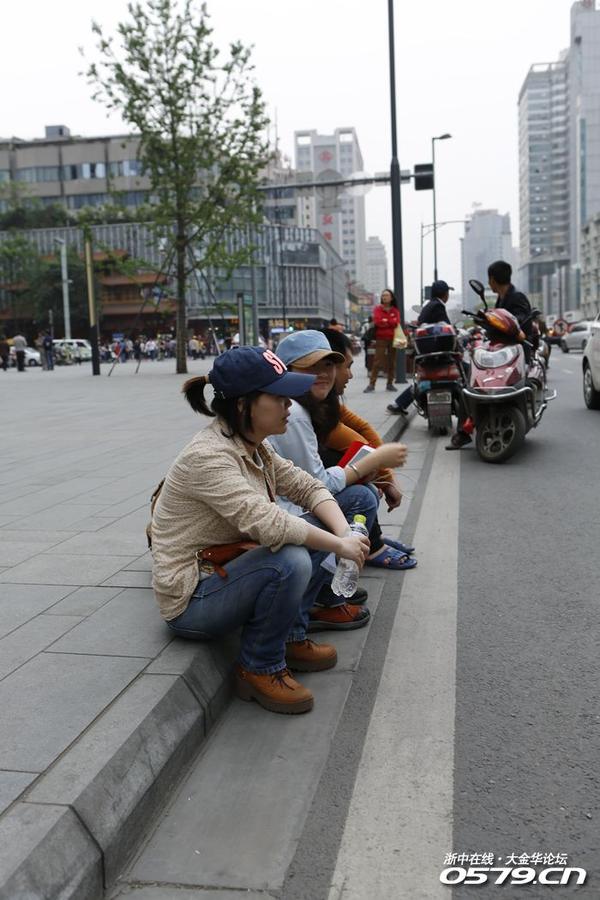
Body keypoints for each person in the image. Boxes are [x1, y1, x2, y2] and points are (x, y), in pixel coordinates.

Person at [150, 346, 371, 715]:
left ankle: (292, 637)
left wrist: (343, 535)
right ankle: (259, 667)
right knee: (290, 559)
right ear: (244, 405)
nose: (289, 406)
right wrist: (341, 545)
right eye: (279, 397)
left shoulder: (254, 446)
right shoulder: (208, 456)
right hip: (194, 599)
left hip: (228, 569)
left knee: (335, 514)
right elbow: (271, 523)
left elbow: (308, 487)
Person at [270, 330, 412, 584]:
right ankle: (325, 585)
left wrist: (380, 470)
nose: (324, 374)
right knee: (361, 496)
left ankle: (347, 561)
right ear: (285, 371)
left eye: (329, 365)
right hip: (280, 516)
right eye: (310, 366)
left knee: (363, 490)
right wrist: (374, 463)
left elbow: (362, 430)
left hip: (288, 505)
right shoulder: (294, 413)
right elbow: (314, 487)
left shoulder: (318, 404)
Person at [320, 328, 417, 568]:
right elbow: (353, 441)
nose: (351, 375)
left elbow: (362, 429)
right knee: (363, 490)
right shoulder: (305, 410)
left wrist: (386, 476)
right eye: (348, 366)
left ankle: (371, 539)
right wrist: (381, 473)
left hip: (313, 491)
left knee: (366, 480)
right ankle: (370, 546)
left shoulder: (325, 402)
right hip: (298, 504)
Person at [446, 260, 533, 451]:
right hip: (497, 350)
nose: (489, 282)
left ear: (492, 279)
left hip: (516, 350)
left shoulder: (516, 297)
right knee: (472, 383)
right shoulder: (501, 300)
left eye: (489, 279)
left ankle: (523, 411)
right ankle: (464, 432)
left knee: (519, 383)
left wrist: (506, 322)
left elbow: (519, 321)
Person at [387, 279, 453, 415]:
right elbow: (446, 328)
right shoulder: (438, 306)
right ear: (445, 294)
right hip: (435, 350)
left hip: (427, 350)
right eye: (448, 292)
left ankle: (399, 403)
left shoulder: (430, 305)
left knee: (424, 379)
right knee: (461, 370)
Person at [364, 288, 401, 392]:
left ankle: (390, 384)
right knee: (377, 361)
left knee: (392, 362)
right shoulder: (377, 309)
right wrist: (389, 321)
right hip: (381, 338)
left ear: (391, 298)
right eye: (383, 295)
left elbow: (396, 323)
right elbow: (378, 322)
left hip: (393, 339)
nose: (384, 297)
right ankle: (371, 384)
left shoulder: (395, 310)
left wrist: (385, 321)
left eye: (386, 295)